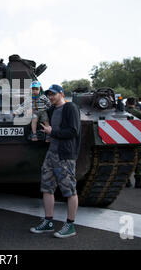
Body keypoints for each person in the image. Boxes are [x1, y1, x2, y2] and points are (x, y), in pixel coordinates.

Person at [30, 84, 81, 238]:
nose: (51, 97)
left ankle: (70, 225)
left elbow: (73, 131)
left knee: (69, 190)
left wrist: (53, 132)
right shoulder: (52, 110)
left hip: (64, 154)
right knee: (47, 187)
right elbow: (41, 115)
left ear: (61, 93)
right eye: (49, 95)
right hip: (51, 153)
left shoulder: (70, 108)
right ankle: (48, 221)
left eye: (53, 94)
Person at [125, 97, 141, 188]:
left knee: (126, 161)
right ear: (135, 103)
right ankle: (138, 181)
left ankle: (127, 181)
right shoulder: (139, 113)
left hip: (124, 140)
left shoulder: (123, 112)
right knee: (138, 161)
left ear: (127, 102)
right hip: (137, 140)